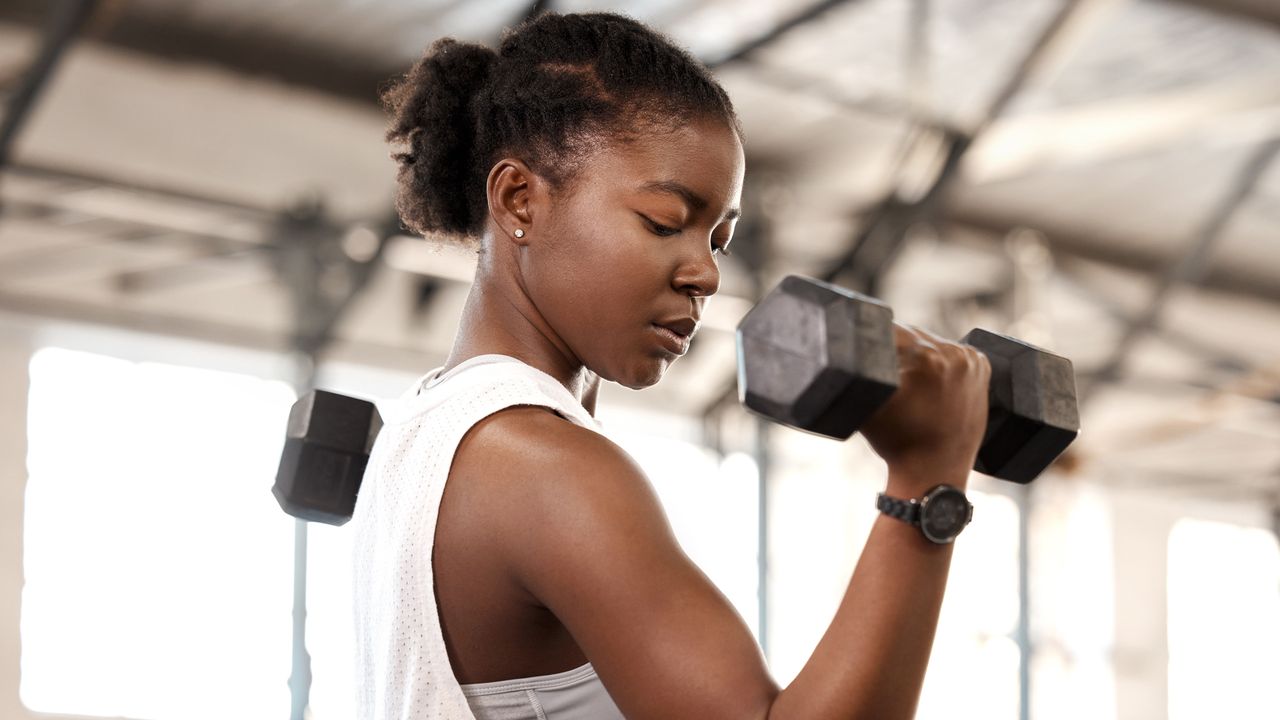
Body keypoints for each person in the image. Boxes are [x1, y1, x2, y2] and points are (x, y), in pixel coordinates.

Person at [351, 11, 991, 720]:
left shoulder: (418, 432)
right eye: (663, 221)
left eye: (719, 238)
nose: (705, 275)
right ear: (518, 199)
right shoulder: (544, 467)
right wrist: (927, 483)